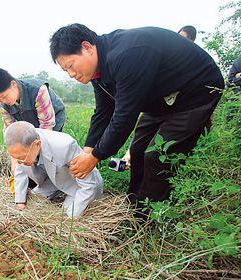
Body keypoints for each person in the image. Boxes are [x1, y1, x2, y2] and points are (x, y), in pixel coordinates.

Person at [49, 24, 224, 220]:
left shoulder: (127, 54)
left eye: (71, 65)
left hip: (196, 92)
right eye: (66, 71)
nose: (71, 74)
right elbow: (103, 111)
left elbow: (124, 117)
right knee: (138, 150)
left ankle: (148, 217)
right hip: (159, 98)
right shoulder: (98, 72)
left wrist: (95, 156)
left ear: (87, 47)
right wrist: (88, 150)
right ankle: (135, 204)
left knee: (157, 155)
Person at [122, 24, 198, 165]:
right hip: (157, 105)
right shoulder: (166, 56)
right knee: (140, 138)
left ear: (192, 42)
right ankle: (129, 157)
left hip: (179, 109)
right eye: (177, 38)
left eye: (184, 39)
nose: (179, 42)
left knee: (158, 152)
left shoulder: (192, 61)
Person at [0, 68, 66, 188]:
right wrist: (14, 160)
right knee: (25, 153)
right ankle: (33, 181)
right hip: (29, 122)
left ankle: (56, 182)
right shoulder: (3, 104)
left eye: (4, 96)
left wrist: (33, 155)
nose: (3, 101)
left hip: (51, 118)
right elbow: (10, 132)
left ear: (13, 84)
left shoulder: (38, 90)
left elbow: (46, 127)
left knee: (47, 151)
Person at [4, 121, 103, 218]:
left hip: (76, 184)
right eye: (14, 157)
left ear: (37, 145)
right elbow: (20, 170)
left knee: (66, 213)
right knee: (35, 199)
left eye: (21, 157)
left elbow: (89, 184)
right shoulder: (24, 144)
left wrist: (72, 216)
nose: (18, 162)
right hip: (54, 179)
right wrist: (20, 202)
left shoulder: (64, 146)